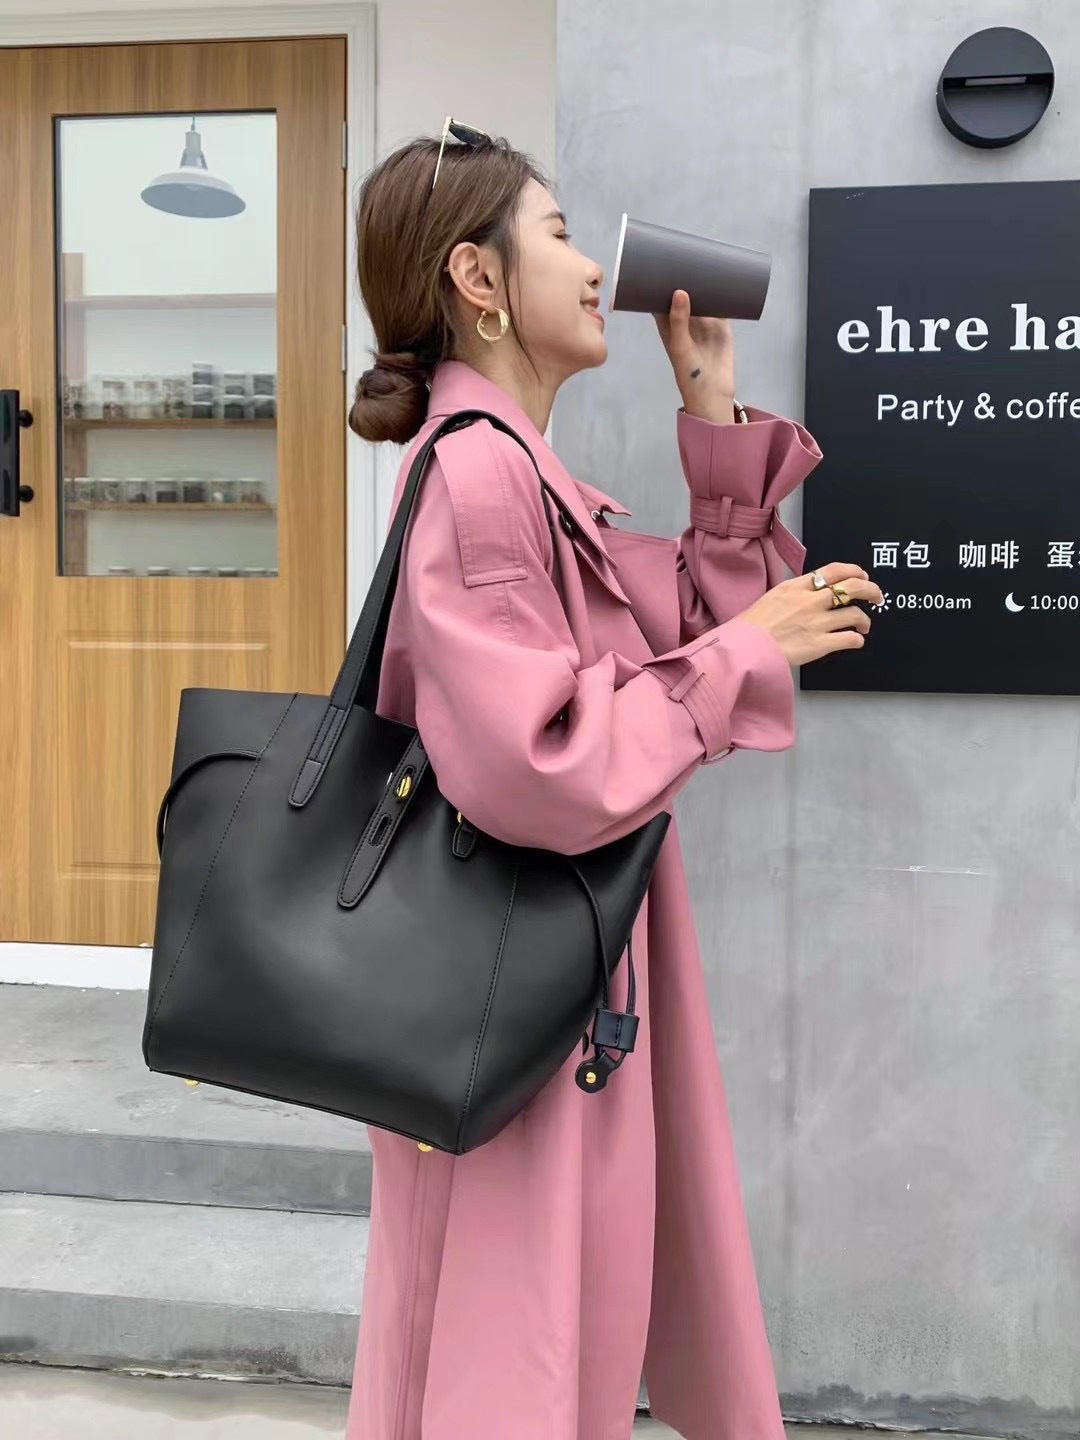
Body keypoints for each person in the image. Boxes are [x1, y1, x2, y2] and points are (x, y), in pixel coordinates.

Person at [343, 124, 883, 1440]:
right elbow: (538, 761)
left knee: (549, 1336)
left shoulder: (518, 470)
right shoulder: (480, 471)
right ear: (479, 279)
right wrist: (747, 648)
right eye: (560, 234)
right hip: (514, 985)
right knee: (513, 1357)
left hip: (547, 974)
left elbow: (677, 631)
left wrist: (711, 411)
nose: (593, 268)